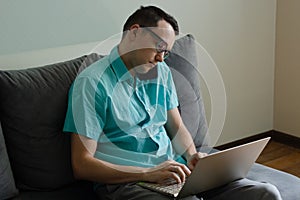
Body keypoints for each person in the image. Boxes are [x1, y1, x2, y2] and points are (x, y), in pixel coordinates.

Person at [63, 5, 282, 200]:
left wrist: (192, 156)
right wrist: (148, 174)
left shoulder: (161, 72)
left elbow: (176, 126)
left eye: (166, 53)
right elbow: (81, 165)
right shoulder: (91, 83)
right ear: (134, 32)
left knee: (266, 193)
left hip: (175, 173)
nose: (161, 58)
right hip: (128, 183)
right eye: (159, 48)